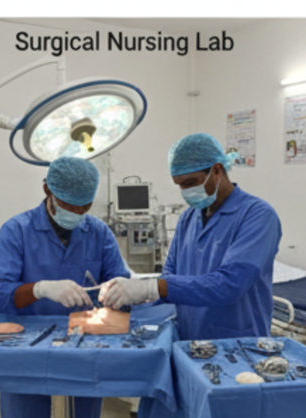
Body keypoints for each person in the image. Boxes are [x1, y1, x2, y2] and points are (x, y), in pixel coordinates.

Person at [0, 156, 130, 418]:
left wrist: (123, 293)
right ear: (47, 189)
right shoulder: (17, 231)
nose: (77, 213)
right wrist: (39, 289)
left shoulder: (98, 233)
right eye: (68, 205)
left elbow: (121, 285)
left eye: (84, 207)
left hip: (81, 354)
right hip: (25, 356)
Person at [99, 133, 282, 340]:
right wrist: (129, 297)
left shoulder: (257, 215)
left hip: (237, 342)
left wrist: (151, 288)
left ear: (217, 170)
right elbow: (170, 278)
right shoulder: (188, 218)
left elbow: (230, 285)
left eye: (190, 182)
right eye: (180, 185)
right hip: (189, 341)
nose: (185, 191)